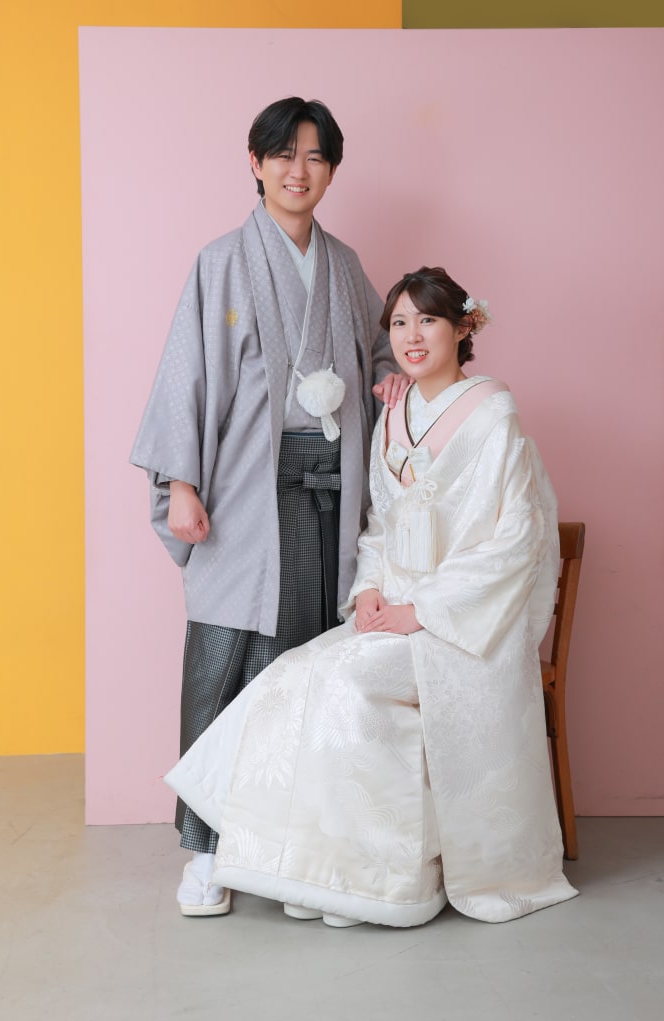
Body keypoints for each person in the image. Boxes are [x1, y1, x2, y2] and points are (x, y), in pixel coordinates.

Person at [166, 266, 579, 926]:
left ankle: (387, 883)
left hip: (460, 626)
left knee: (347, 684)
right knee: (293, 672)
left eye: (428, 320)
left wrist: (423, 611)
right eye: (400, 323)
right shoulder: (395, 415)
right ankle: (316, 870)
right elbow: (380, 526)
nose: (412, 336)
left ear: (463, 327)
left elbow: (511, 543)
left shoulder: (492, 414)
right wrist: (370, 592)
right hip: (396, 611)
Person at [131, 98, 408, 916]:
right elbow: (186, 372)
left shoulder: (344, 266)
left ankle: (293, 852)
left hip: (332, 494)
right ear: (255, 163)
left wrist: (391, 374)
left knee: (311, 669)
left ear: (331, 171)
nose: (298, 171)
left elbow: (380, 347)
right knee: (226, 661)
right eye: (283, 155)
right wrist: (182, 484)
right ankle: (206, 854)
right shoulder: (222, 262)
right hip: (248, 492)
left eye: (316, 157)